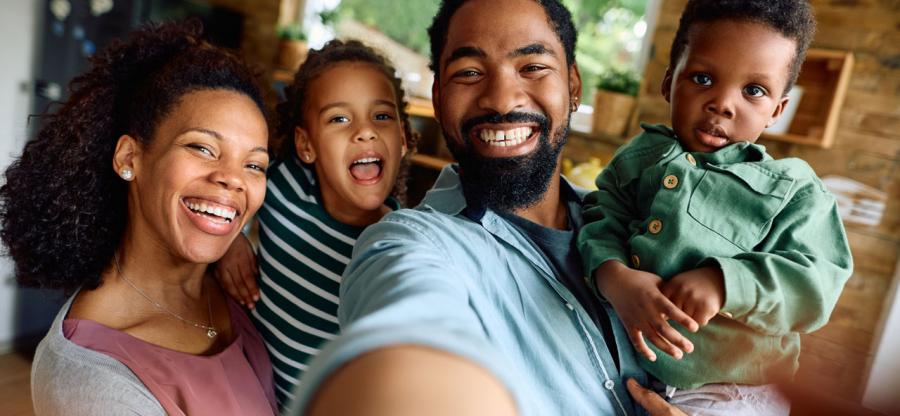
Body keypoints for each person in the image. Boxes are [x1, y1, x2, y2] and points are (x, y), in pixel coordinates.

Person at [285, 1, 690, 415]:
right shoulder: (408, 244)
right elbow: (407, 334)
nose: (501, 99)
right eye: (469, 73)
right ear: (439, 98)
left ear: (573, 86)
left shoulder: (643, 227)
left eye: (533, 67)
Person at [576, 1, 853, 414]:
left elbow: (817, 285)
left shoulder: (793, 191)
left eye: (753, 91)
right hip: (625, 365)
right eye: (702, 78)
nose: (722, 103)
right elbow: (600, 219)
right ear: (669, 82)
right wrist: (614, 277)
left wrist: (725, 283)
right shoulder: (639, 159)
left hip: (733, 391)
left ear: (776, 111)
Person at [1, 22, 278, 415]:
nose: (233, 178)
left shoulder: (235, 284)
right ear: (129, 158)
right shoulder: (95, 384)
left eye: (254, 165)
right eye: (202, 148)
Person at [212, 39, 412, 408]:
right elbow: (230, 190)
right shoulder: (283, 185)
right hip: (243, 392)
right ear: (306, 145)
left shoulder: (399, 248)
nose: (365, 131)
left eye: (382, 116)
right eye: (339, 119)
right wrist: (232, 240)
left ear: (402, 138)